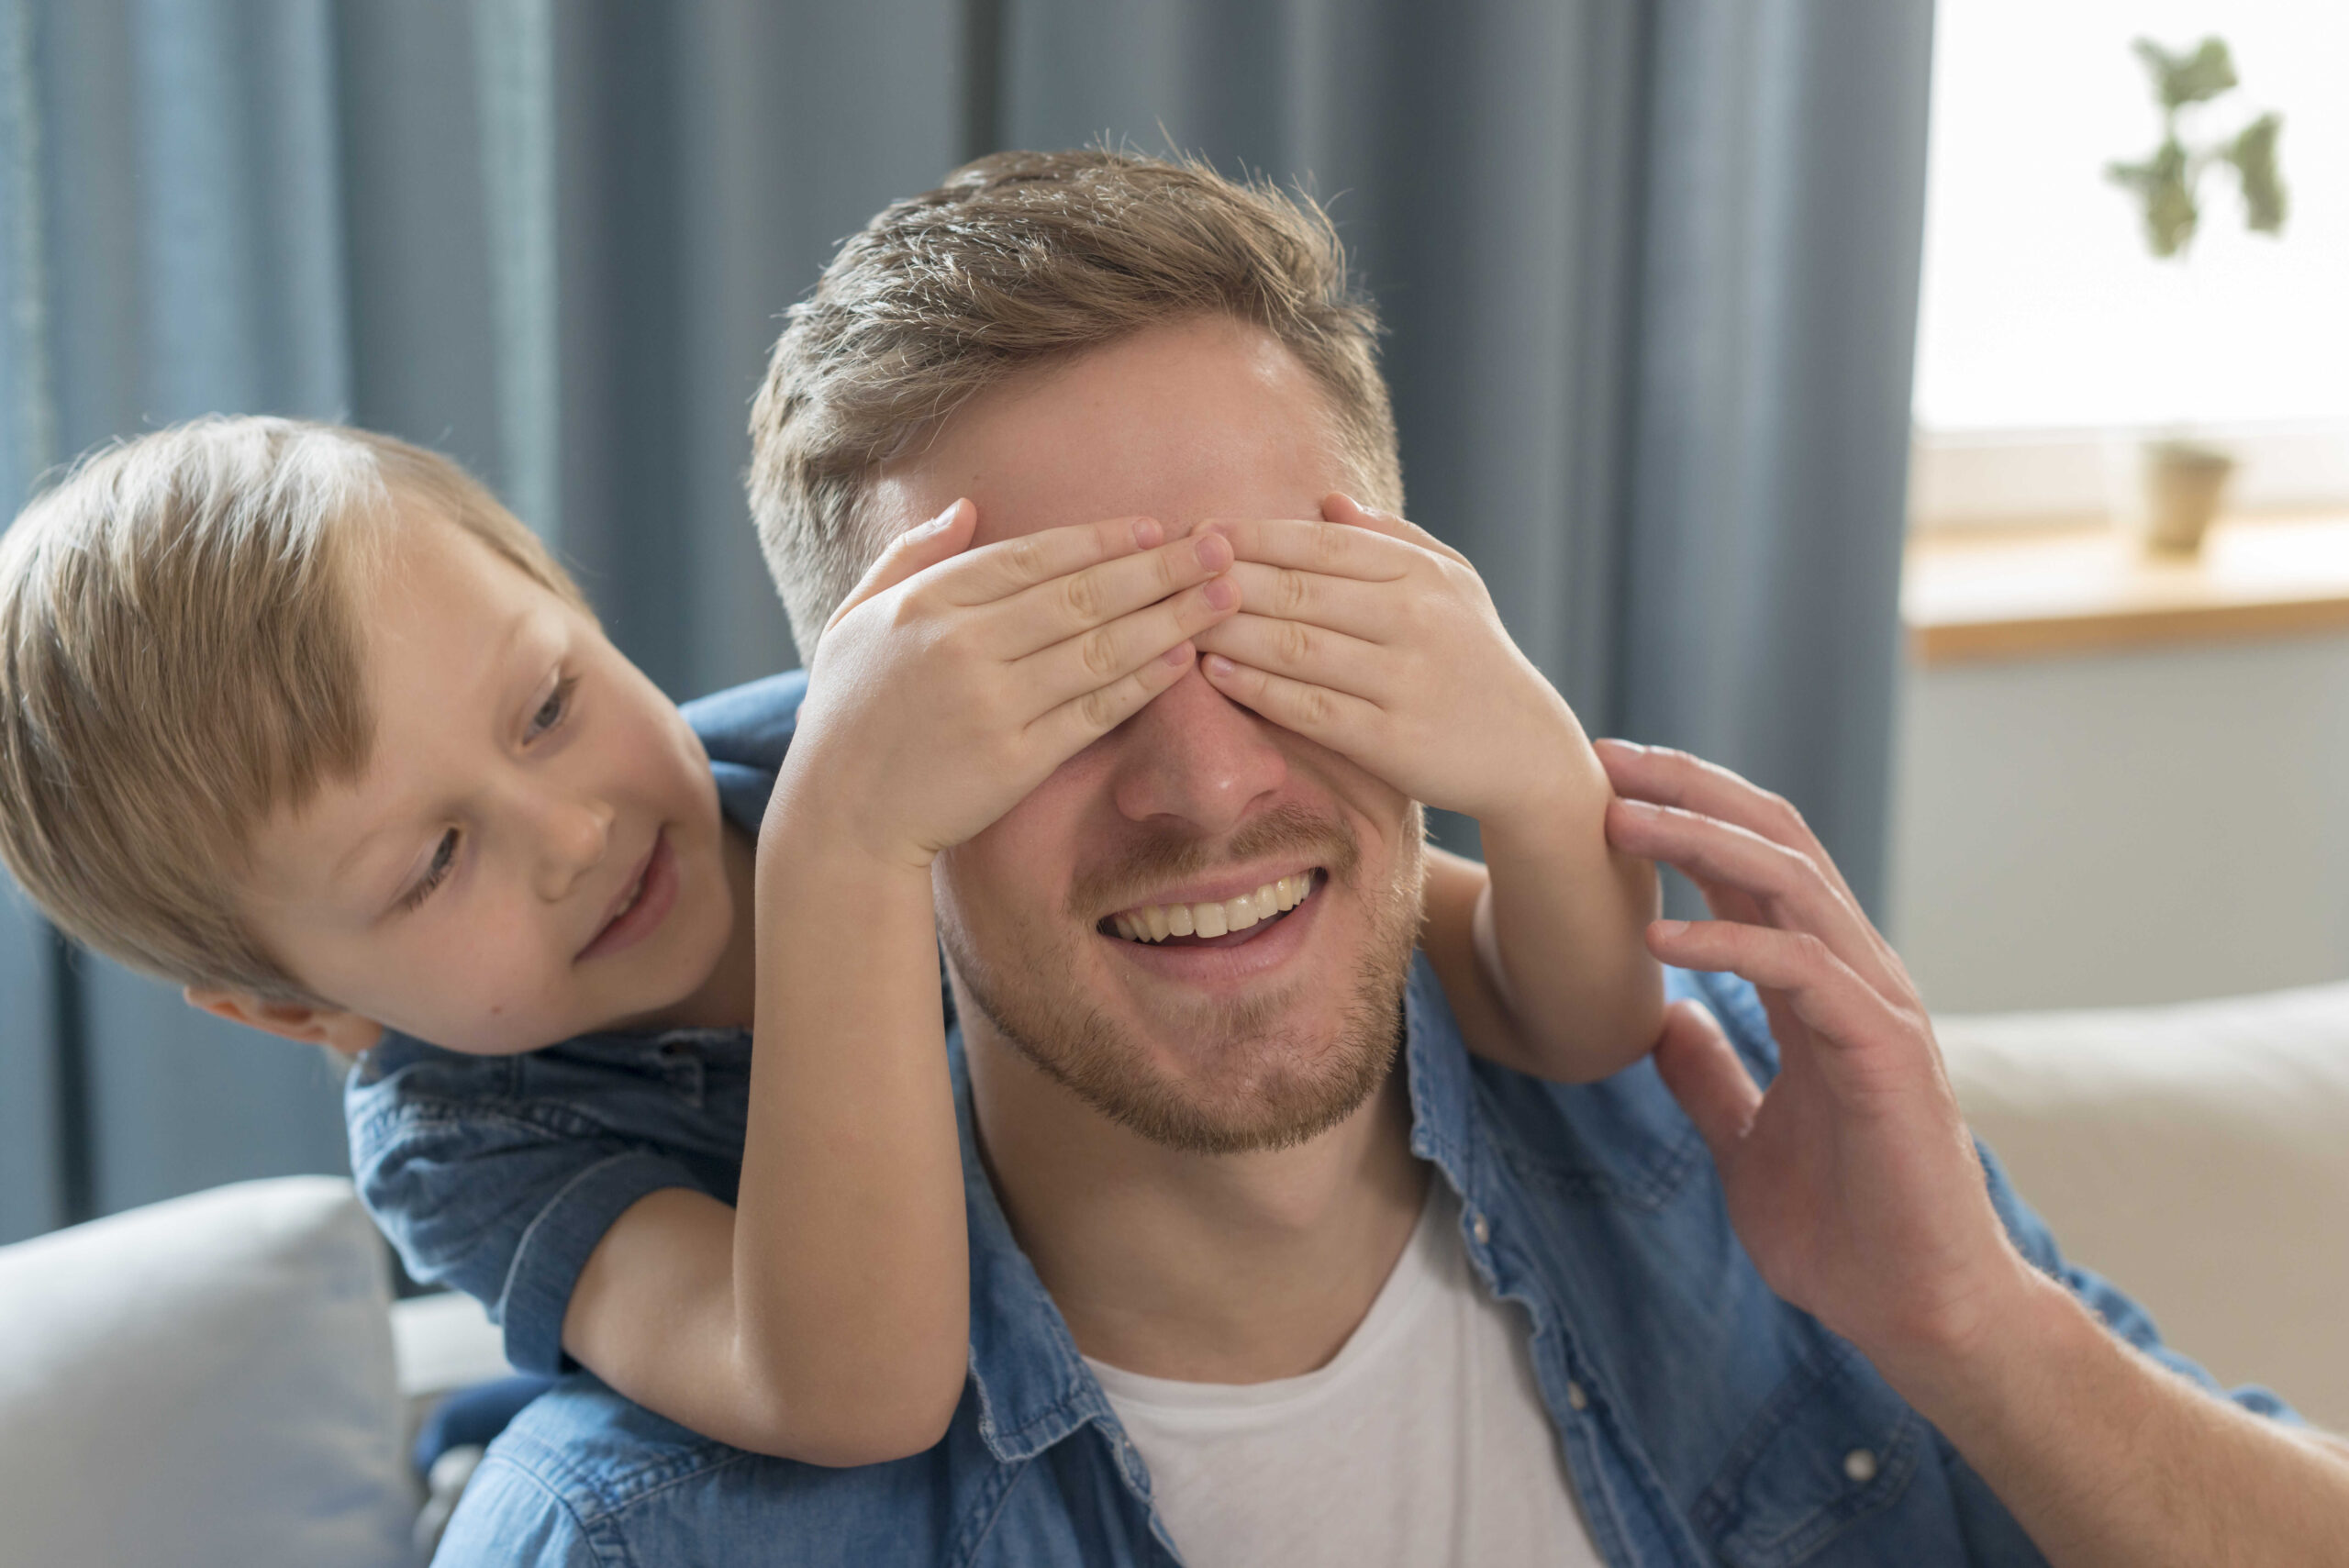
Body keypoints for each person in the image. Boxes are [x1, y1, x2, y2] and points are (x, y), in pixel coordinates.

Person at [425, 150, 2349, 1566]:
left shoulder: (1731, 1114)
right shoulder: (632, 1534)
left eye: (1282, 631)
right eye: (1046, 684)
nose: (1198, 784)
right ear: (855, 767)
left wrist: (1975, 1333)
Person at [0, 410, 1657, 1467]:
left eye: (552, 702)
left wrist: (1529, 764)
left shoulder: (833, 740)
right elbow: (858, 1394)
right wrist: (850, 863)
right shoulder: (470, 1131)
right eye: (434, 861)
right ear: (299, 1011)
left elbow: (1550, 1006)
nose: (576, 833)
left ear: (576, 602)